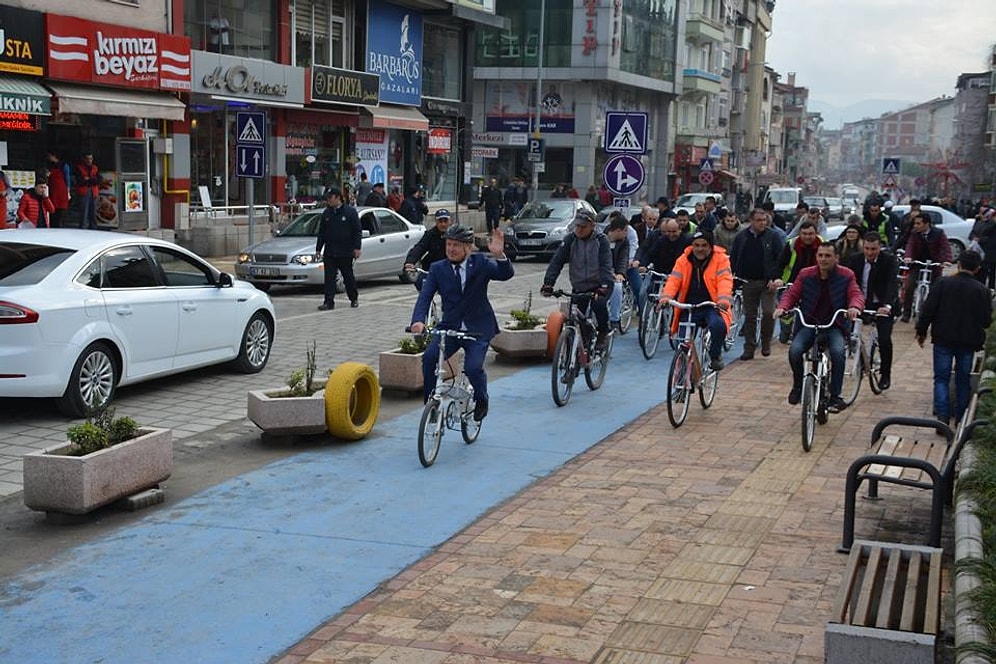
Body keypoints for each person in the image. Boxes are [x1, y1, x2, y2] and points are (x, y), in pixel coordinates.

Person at [409, 225, 513, 421]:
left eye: (456, 245)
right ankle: (431, 404)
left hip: (478, 329)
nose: (451, 249)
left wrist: (500, 256)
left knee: (473, 368)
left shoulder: (481, 263)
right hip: (450, 327)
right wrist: (417, 321)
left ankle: (482, 398)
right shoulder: (438, 268)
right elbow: (425, 296)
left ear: (468, 248)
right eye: (448, 244)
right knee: (430, 358)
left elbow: (505, 274)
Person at [775, 243, 864, 413]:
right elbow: (792, 293)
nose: (823, 259)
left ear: (836, 258)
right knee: (795, 350)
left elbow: (856, 294)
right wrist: (783, 307)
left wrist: (854, 307)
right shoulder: (805, 274)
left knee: (838, 353)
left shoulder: (846, 275)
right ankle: (798, 385)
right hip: (809, 324)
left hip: (834, 325)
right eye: (820, 255)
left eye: (828, 256)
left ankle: (835, 396)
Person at [915, 250, 992, 426]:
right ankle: (960, 418)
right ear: (978, 268)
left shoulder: (943, 283)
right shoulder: (982, 291)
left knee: (941, 378)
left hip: (943, 337)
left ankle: (942, 418)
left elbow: (928, 309)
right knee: (963, 379)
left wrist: (921, 331)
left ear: (959, 265)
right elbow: (986, 321)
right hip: (968, 341)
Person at [541, 209, 614, 351]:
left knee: (598, 305)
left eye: (583, 227)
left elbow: (606, 265)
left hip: (600, 284)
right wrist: (548, 283)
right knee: (576, 318)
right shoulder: (570, 239)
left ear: (592, 226)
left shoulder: (601, 240)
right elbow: (557, 261)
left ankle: (603, 332)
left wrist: (604, 286)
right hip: (579, 285)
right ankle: (578, 351)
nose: (579, 230)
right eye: (577, 226)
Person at [660, 230, 733, 371]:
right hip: (688, 306)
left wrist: (723, 300)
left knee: (718, 326)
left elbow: (725, 281)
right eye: (696, 245)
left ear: (710, 246)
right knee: (683, 343)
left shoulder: (721, 259)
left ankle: (715, 355)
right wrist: (666, 296)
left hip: (711, 305)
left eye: (704, 245)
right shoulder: (683, 260)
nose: (700, 249)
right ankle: (683, 376)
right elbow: (674, 279)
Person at [845, 232, 899, 390]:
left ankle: (885, 373)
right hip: (859, 303)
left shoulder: (889, 261)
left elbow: (892, 285)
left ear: (880, 247)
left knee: (884, 339)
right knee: (846, 331)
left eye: (873, 249)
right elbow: (848, 281)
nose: (869, 252)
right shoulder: (855, 260)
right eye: (867, 248)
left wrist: (887, 306)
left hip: (881, 305)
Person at [729, 208, 785, 359]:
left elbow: (780, 259)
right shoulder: (742, 236)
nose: (762, 223)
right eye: (759, 220)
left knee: (768, 312)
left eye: (764, 220)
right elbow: (734, 257)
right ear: (751, 221)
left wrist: (775, 278)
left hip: (768, 283)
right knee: (750, 316)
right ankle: (749, 347)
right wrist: (734, 278)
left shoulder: (773, 236)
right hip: (748, 281)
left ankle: (766, 341)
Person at [314, 187, 362, 311]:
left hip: (345, 251)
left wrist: (357, 248)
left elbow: (357, 231)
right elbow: (322, 232)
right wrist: (318, 249)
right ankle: (328, 302)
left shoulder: (350, 212)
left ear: (337, 197)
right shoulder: (327, 213)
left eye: (330, 198)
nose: (328, 200)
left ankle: (353, 298)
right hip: (330, 251)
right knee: (329, 277)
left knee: (348, 276)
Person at [900, 211, 952, 321]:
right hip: (918, 264)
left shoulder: (938, 233)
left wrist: (947, 260)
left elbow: (945, 247)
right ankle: (906, 313)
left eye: (918, 223)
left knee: (937, 290)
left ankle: (935, 314)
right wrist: (908, 257)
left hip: (934, 265)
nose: (915, 226)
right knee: (909, 286)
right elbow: (910, 245)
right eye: (915, 223)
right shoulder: (914, 233)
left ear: (927, 223)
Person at [776, 220, 822, 343]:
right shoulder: (791, 244)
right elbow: (780, 264)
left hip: (815, 284)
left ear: (816, 234)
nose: (808, 237)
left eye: (811, 234)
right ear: (800, 234)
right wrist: (778, 278)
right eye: (804, 234)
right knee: (786, 311)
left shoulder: (822, 244)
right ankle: (785, 332)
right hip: (792, 283)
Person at [404, 209, 453, 288]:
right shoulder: (430, 235)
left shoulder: (455, 235)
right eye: (440, 221)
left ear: (450, 221)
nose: (443, 224)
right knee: (420, 283)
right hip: (432, 269)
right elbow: (420, 247)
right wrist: (410, 261)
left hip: (450, 270)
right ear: (436, 222)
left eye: (445, 221)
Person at [605, 214, 631, 332]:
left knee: (617, 288)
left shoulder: (624, 243)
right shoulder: (601, 238)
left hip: (615, 273)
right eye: (625, 230)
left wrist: (620, 273)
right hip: (601, 272)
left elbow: (623, 259)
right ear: (618, 230)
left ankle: (614, 319)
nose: (627, 233)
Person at [44, 150, 71, 228]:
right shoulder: (49, 166)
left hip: (61, 191)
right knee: (52, 209)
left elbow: (67, 179)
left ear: (54, 156)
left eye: (49, 156)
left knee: (60, 211)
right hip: (52, 190)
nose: (48, 158)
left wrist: (68, 191)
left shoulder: (64, 166)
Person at [74, 153, 100, 230]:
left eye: (91, 159)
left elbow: (99, 180)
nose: (89, 160)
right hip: (83, 192)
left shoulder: (95, 168)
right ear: (84, 159)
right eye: (87, 158)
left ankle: (93, 228)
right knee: (84, 212)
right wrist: (92, 180)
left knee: (93, 212)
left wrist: (88, 179)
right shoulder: (79, 168)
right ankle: (83, 229)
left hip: (93, 192)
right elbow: (80, 181)